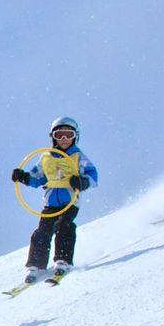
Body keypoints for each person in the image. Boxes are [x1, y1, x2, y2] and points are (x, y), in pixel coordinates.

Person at [12, 116, 99, 286]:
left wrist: (83, 182)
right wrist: (23, 177)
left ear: (75, 136)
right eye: (59, 135)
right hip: (50, 203)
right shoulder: (46, 157)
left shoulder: (78, 156)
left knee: (64, 226)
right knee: (42, 232)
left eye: (68, 135)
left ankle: (63, 260)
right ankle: (36, 265)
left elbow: (93, 175)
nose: (64, 139)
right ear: (53, 137)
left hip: (70, 202)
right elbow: (37, 177)